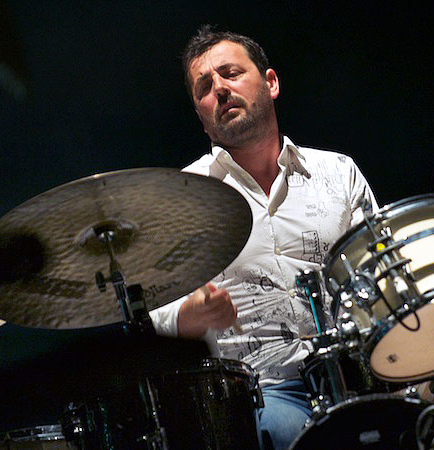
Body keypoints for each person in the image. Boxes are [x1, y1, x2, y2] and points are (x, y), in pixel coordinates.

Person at [150, 25, 377, 450]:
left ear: (270, 83)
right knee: (284, 433)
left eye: (231, 73)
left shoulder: (338, 172)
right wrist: (191, 315)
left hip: (358, 371)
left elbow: (380, 273)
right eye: (204, 87)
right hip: (260, 391)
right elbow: (156, 309)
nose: (220, 88)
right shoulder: (185, 196)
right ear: (201, 116)